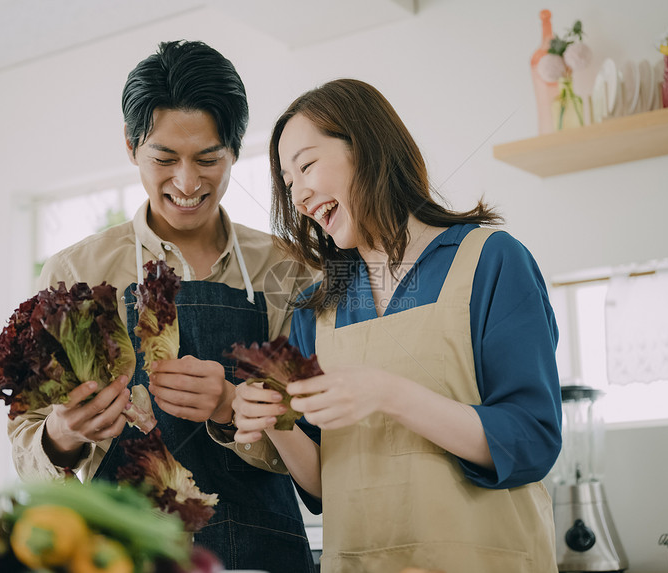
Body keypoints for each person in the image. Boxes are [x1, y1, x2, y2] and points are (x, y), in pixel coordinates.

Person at [7, 40, 317, 573]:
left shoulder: (288, 269)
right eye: (164, 158)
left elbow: (316, 439)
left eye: (208, 158)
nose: (188, 182)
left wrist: (232, 406)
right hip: (120, 553)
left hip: (262, 551)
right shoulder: (76, 272)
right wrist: (63, 434)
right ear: (131, 147)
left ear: (235, 152)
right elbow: (27, 444)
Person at [231, 78, 562, 573]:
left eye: (306, 165)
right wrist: (274, 422)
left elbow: (532, 439)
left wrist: (389, 393)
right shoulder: (313, 307)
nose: (297, 195)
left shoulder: (490, 261)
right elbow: (326, 481)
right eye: (286, 181)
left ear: (366, 148)